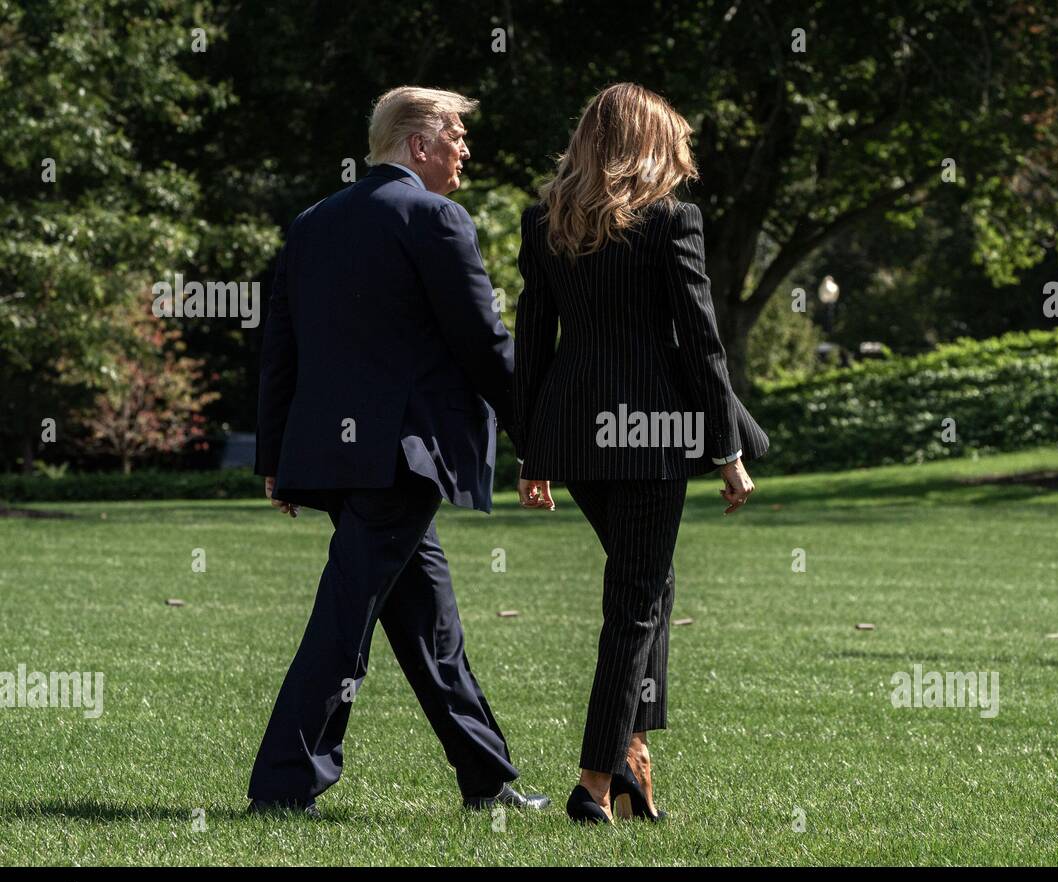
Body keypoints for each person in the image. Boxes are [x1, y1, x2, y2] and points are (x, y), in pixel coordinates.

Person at [247, 86, 548, 817]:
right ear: (420, 144)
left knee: (428, 625)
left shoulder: (313, 222)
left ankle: (487, 780)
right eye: (457, 139)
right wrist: (537, 437)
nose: (466, 153)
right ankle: (284, 787)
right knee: (344, 622)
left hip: (341, 458)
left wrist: (275, 458)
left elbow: (279, 349)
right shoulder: (434, 216)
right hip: (401, 457)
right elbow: (482, 342)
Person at [513, 82, 768, 824]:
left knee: (649, 591)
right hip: (653, 439)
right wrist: (726, 449)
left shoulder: (544, 222)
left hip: (577, 436)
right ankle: (595, 781)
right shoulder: (670, 222)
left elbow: (531, 342)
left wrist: (531, 454)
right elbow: (701, 342)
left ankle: (633, 760)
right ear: (652, 144)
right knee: (633, 602)